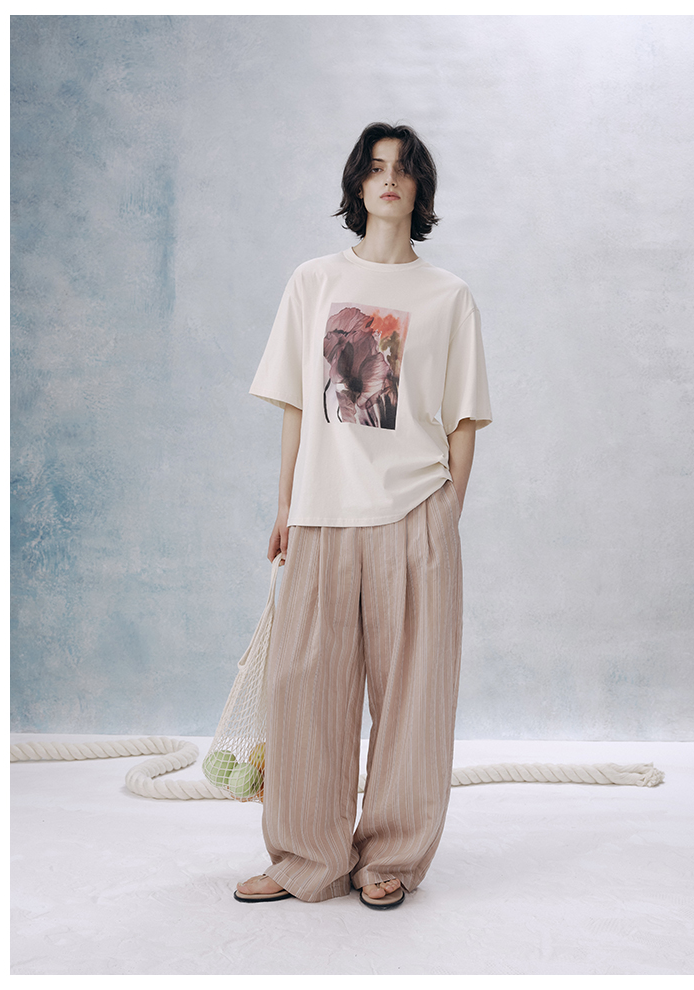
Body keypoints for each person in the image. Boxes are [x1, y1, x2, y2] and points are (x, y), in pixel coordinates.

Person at [235, 122, 491, 909]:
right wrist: (286, 503)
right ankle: (305, 858)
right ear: (357, 184)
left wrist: (445, 515)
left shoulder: (448, 296)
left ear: (420, 190)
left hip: (415, 511)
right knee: (305, 692)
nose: (389, 179)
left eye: (403, 169)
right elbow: (294, 405)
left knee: (414, 697)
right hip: (322, 515)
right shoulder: (313, 280)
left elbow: (463, 421)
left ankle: (391, 859)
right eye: (376, 167)